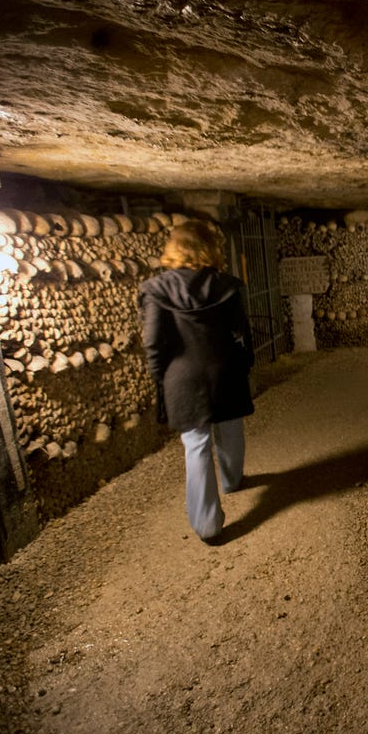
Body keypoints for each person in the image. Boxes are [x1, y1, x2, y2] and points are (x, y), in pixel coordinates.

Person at [138, 219, 255, 542]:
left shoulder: (156, 289)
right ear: (209, 248)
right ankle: (232, 480)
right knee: (229, 427)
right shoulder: (226, 285)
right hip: (223, 368)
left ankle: (207, 525)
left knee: (196, 445)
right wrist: (245, 364)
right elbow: (240, 332)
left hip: (183, 376)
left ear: (173, 249)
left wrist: (159, 377)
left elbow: (153, 342)